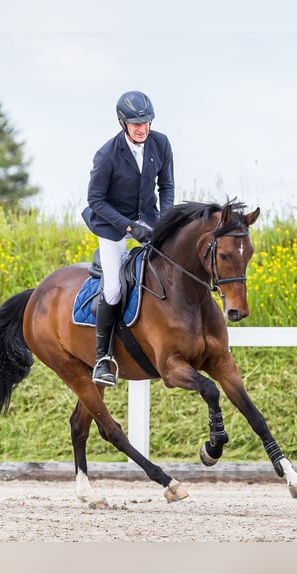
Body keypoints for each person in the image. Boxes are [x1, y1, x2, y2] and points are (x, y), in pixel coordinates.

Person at [81, 90, 175, 386]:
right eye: (136, 123)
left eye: (146, 122)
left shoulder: (161, 143)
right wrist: (130, 228)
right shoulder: (107, 154)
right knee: (113, 289)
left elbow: (167, 185)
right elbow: (96, 200)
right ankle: (103, 359)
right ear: (123, 122)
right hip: (111, 224)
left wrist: (166, 222)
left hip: (149, 217)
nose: (142, 128)